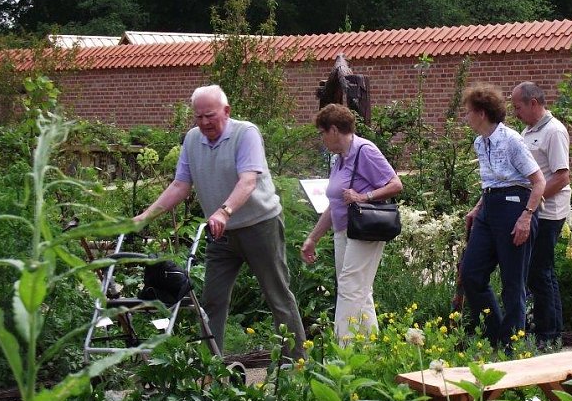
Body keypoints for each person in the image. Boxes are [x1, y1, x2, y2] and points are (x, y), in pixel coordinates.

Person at [134, 84, 306, 361]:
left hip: (259, 226)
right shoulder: (192, 140)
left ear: (226, 111)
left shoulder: (245, 134)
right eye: (198, 117)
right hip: (220, 233)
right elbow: (180, 184)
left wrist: (224, 211)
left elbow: (248, 181)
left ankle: (295, 363)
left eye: (210, 116)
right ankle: (210, 364)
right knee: (212, 299)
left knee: (277, 296)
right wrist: (145, 216)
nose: (204, 122)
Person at [301, 104, 403, 342]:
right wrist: (313, 238)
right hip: (343, 231)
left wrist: (363, 196)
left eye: (322, 133)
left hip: (364, 230)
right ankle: (373, 347)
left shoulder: (364, 150)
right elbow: (335, 204)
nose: (322, 139)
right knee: (359, 290)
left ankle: (342, 349)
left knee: (349, 287)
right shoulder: (340, 159)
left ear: (334, 130)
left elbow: (396, 184)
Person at [461, 83, 546, 348]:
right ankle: (495, 335)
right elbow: (493, 182)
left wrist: (526, 217)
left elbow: (539, 182)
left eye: (468, 112)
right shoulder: (480, 142)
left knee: (513, 282)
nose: (466, 117)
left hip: (514, 207)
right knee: (471, 273)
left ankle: (512, 347)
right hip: (489, 206)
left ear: (482, 113)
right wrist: (478, 207)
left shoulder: (511, 140)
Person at [511, 81, 571, 348]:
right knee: (539, 271)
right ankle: (550, 331)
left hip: (548, 213)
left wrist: (533, 202)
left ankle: (549, 334)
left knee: (539, 271)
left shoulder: (554, 131)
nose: (515, 113)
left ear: (533, 103)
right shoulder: (528, 131)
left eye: (518, 107)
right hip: (535, 210)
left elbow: (562, 176)